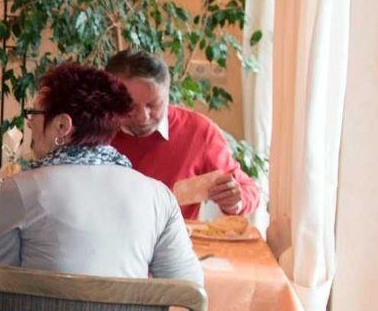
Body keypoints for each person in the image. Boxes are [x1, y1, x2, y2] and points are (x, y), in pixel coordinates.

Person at [0, 62, 202, 282]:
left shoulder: (20, 189)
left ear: (62, 126)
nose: (29, 123)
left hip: (43, 308)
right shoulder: (158, 196)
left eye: (34, 113)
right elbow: (189, 288)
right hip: (124, 308)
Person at [104, 48, 262, 220]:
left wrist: (234, 201)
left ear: (167, 93)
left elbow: (248, 189)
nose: (144, 117)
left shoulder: (198, 131)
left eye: (154, 105)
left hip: (175, 236)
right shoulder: (94, 130)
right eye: (130, 106)